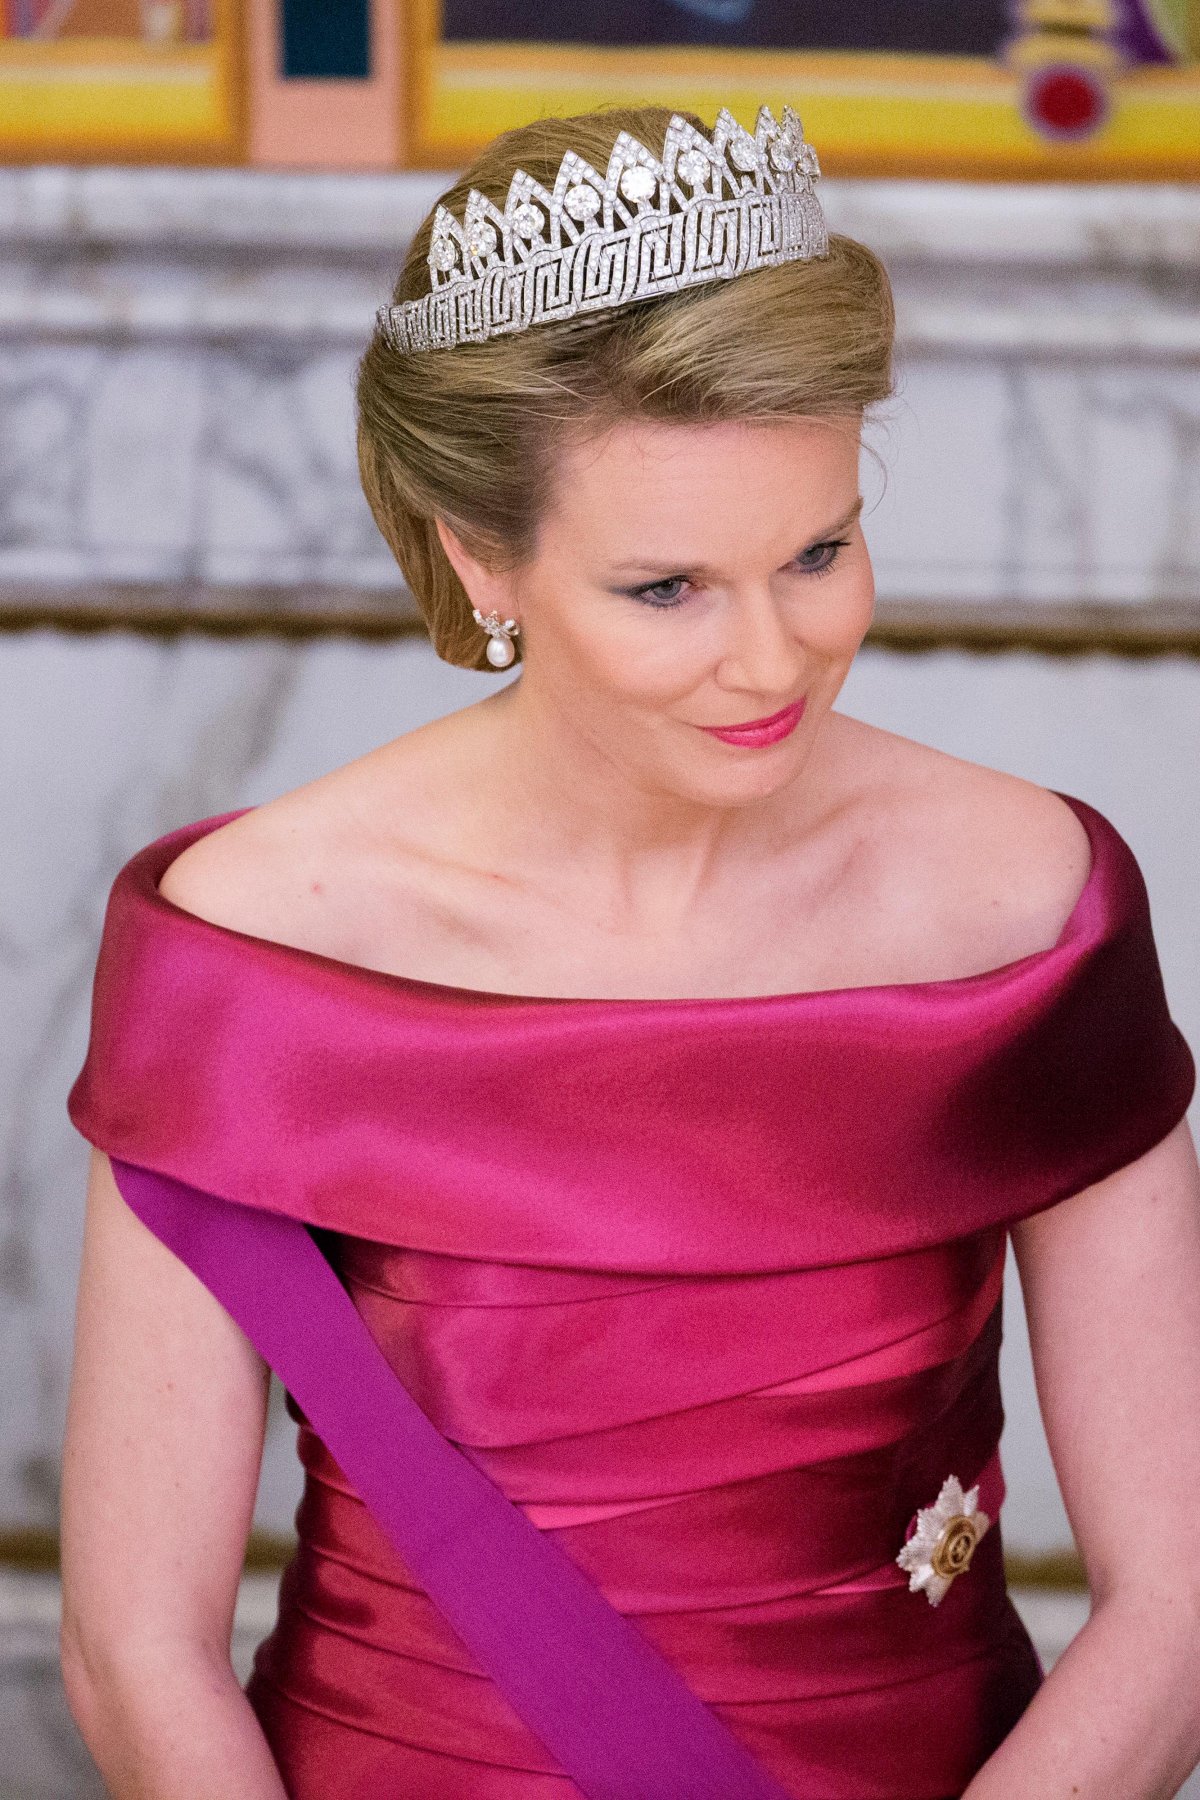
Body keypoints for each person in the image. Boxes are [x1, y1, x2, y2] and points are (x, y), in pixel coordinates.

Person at [59, 101, 1200, 1799]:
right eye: (666, 588)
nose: (772, 660)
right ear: (479, 556)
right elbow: (135, 1648)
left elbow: (1176, 1603)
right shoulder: (253, 950)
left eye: (817, 551)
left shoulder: (1026, 909)